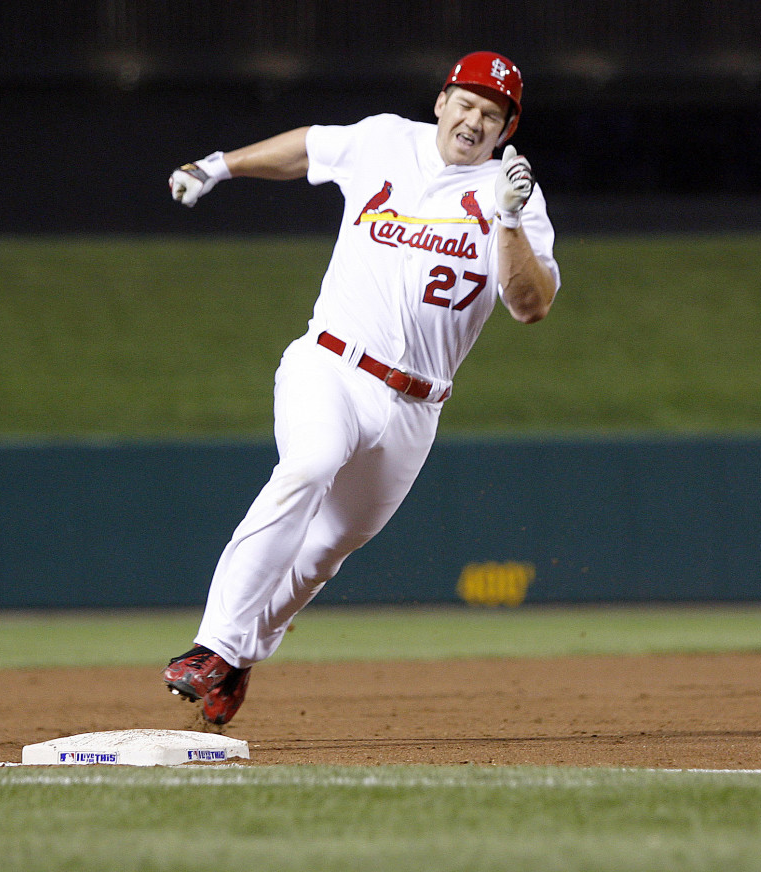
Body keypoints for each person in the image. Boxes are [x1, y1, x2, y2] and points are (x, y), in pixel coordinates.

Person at [161, 51, 560, 725]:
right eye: (465, 102)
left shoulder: (511, 192)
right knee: (309, 464)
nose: (474, 118)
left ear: (505, 129)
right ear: (442, 101)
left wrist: (512, 222)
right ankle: (213, 645)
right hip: (334, 366)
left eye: (491, 114)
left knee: (323, 552)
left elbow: (531, 304)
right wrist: (221, 164)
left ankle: (235, 661)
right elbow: (306, 150)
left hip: (416, 407)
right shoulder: (382, 141)